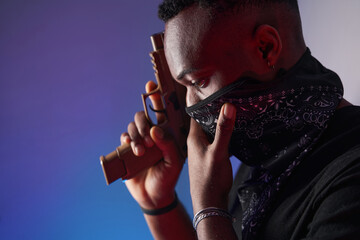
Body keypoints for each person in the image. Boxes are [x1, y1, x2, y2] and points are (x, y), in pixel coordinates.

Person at [120, 0, 360, 239]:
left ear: (266, 48)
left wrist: (208, 207)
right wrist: (159, 204)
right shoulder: (263, 159)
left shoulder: (351, 175)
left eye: (199, 82)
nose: (191, 106)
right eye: (184, 88)